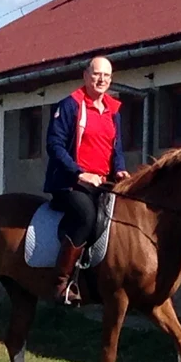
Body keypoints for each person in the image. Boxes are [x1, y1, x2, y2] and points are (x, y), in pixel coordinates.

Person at [44, 56, 130, 304]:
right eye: (96, 74)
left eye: (106, 75)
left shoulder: (113, 111)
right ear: (85, 76)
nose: (101, 79)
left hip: (102, 182)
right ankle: (62, 282)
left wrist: (121, 169)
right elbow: (54, 145)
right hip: (70, 183)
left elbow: (117, 149)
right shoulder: (70, 105)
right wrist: (80, 173)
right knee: (86, 215)